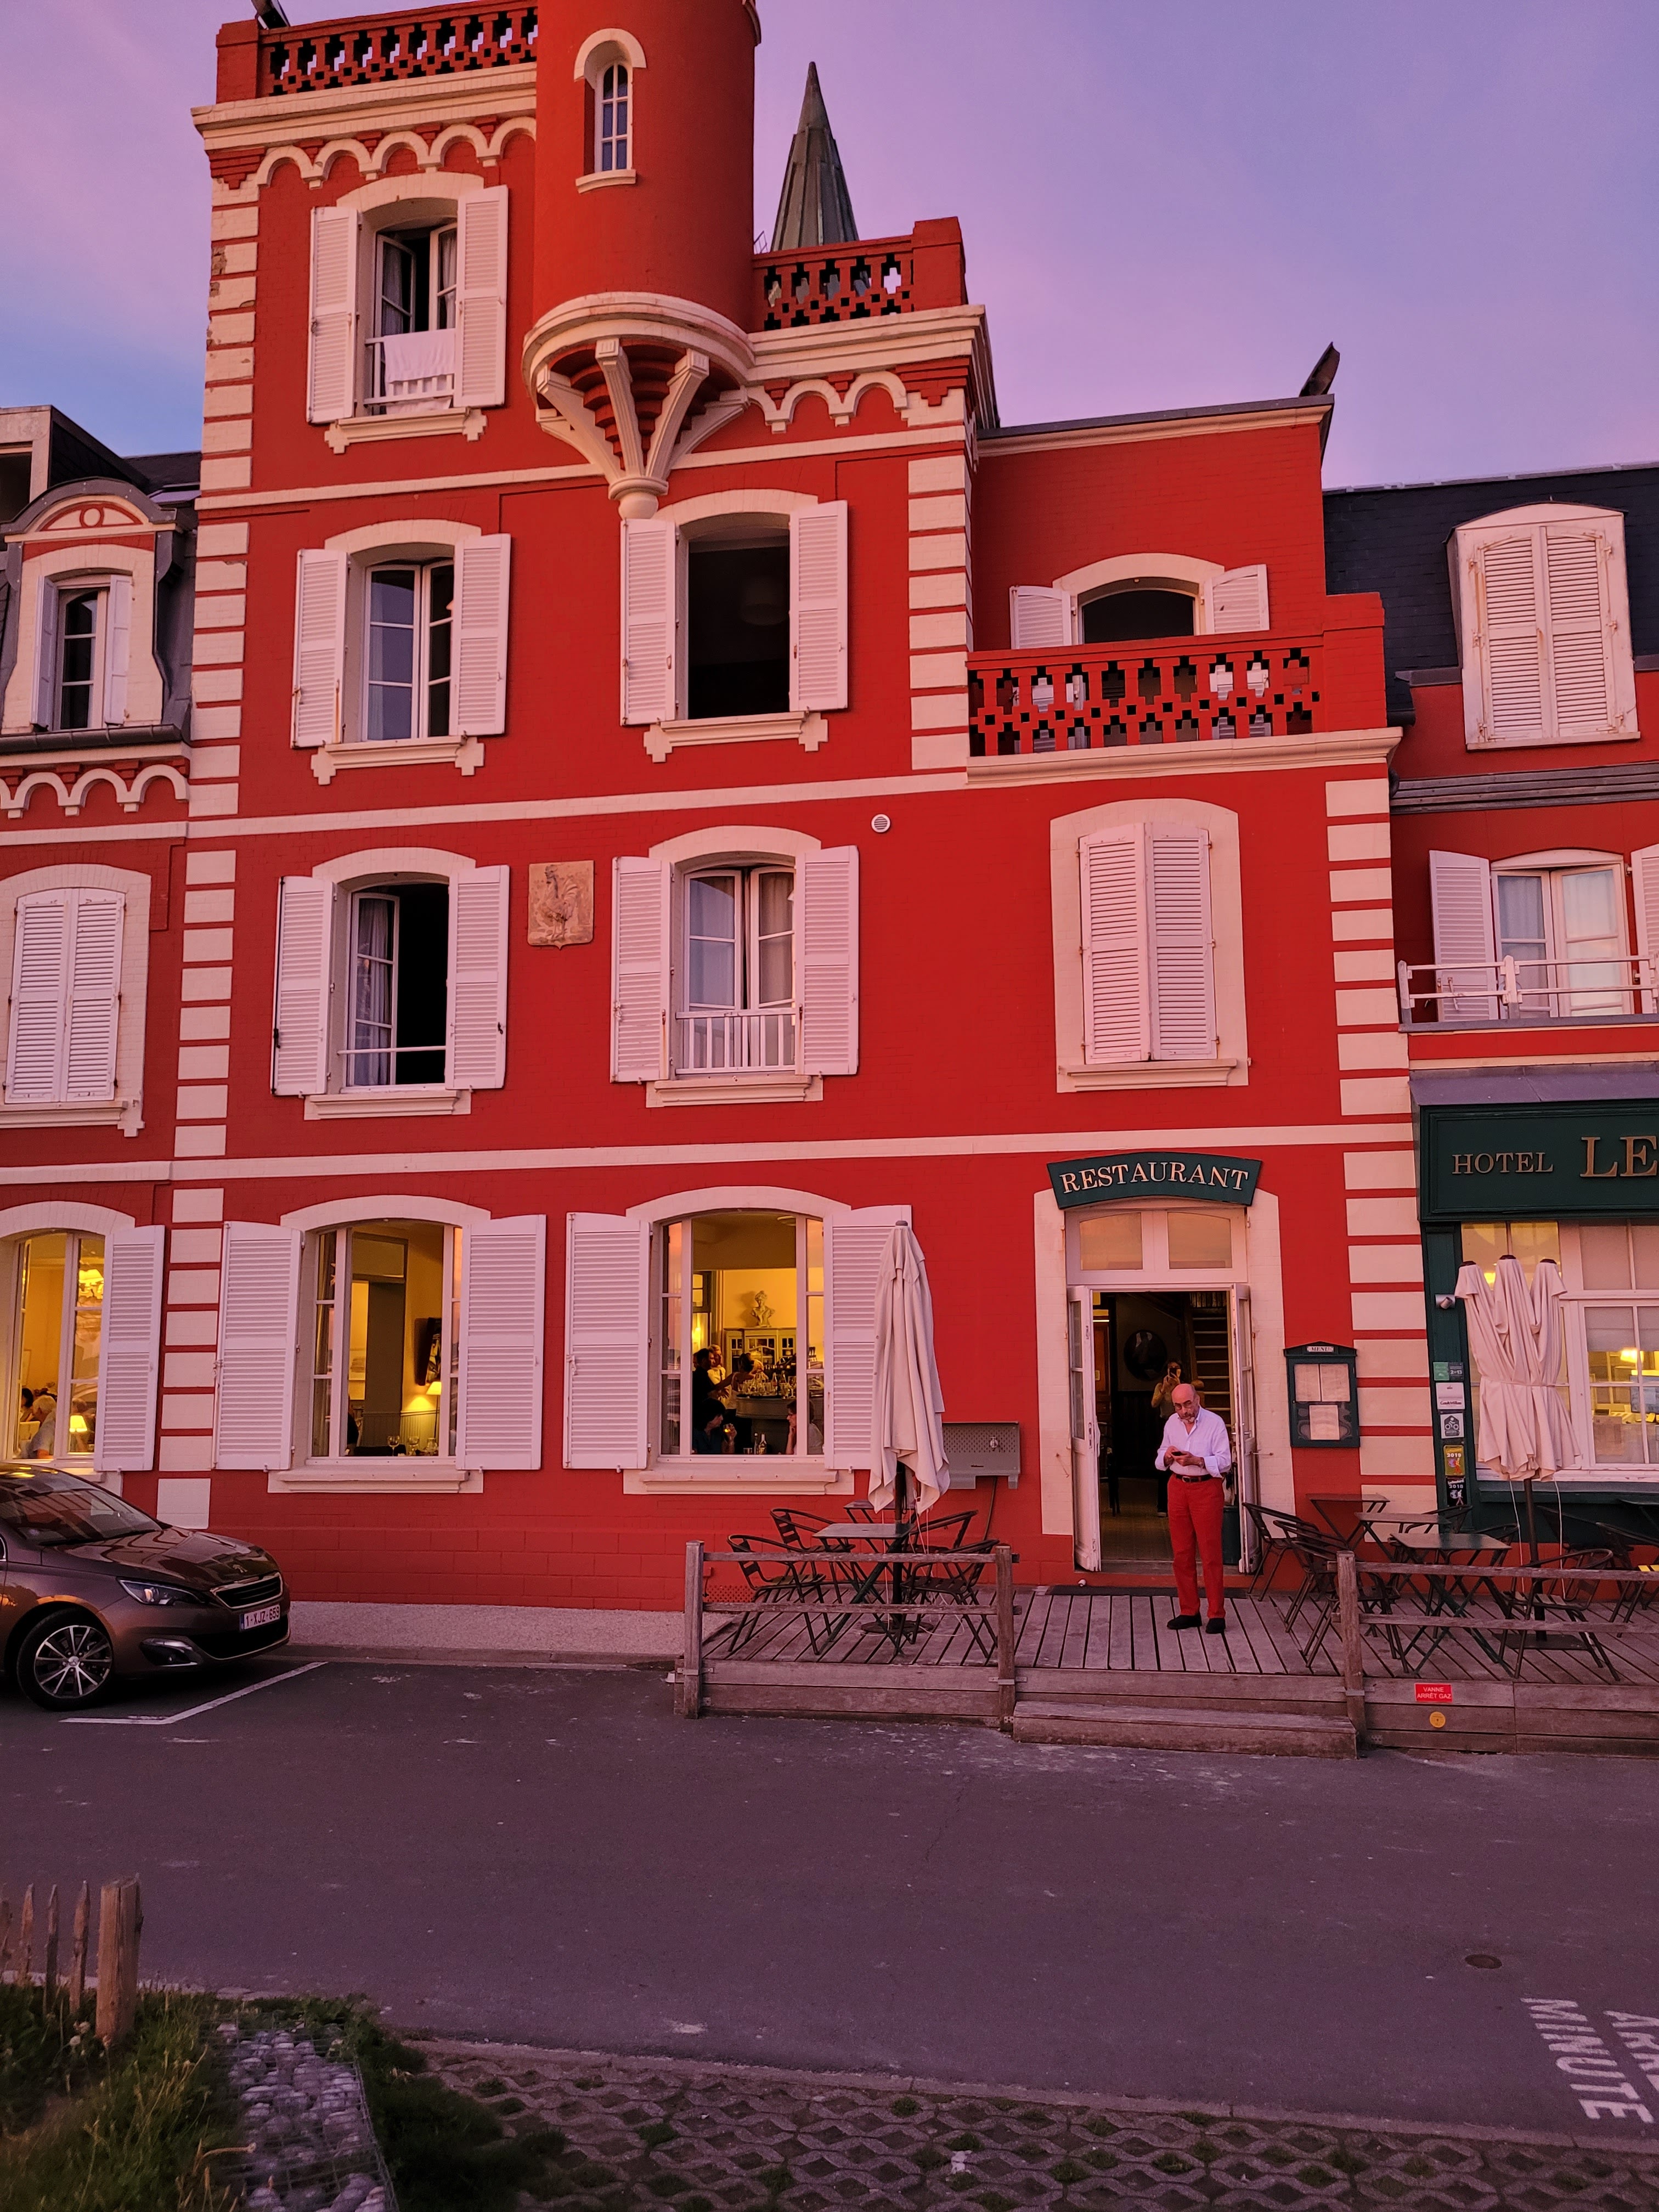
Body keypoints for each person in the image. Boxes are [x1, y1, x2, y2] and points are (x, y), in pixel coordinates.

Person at [1154, 1381, 1232, 1633]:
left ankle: (1216, 1613)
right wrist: (1168, 1456)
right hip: (1177, 1487)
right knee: (1182, 1553)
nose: (1184, 1411)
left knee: (1210, 1553)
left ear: (1197, 1400)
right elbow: (1160, 1457)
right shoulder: (1171, 1423)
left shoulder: (1215, 1423)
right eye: (1178, 1406)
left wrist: (1198, 1461)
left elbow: (1225, 1462)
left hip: (1206, 1487)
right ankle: (1189, 1611)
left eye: (1188, 1404)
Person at [690, 1347, 725, 1453]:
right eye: (711, 1359)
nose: (714, 1361)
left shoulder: (704, 1374)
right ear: (705, 1360)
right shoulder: (700, 1375)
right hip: (702, 1415)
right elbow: (711, 1392)